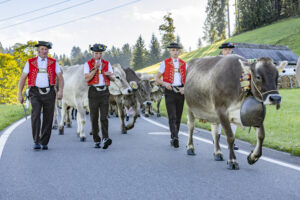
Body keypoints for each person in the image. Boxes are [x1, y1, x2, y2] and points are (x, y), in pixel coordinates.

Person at [18, 41, 64, 150]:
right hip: (35, 92)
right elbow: (23, 78)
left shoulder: (53, 62)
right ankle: (36, 141)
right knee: (36, 115)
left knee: (48, 117)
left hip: (49, 92)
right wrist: (20, 94)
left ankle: (44, 142)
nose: (44, 51)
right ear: (38, 50)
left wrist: (60, 91)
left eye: (46, 49)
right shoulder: (30, 62)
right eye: (42, 49)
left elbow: (60, 78)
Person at [155, 42, 187, 148]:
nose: (175, 52)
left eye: (177, 50)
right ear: (170, 51)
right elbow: (157, 78)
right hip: (169, 92)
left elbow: (188, 80)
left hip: (180, 92)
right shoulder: (164, 63)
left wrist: (184, 88)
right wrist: (164, 83)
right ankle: (175, 137)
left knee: (178, 117)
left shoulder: (184, 63)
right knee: (172, 116)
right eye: (173, 50)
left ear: (179, 51)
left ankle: (174, 136)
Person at [84, 43, 114, 149]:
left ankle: (105, 138)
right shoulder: (88, 64)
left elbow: (113, 78)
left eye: (100, 53)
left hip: (105, 91)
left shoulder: (107, 63)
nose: (98, 55)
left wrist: (109, 75)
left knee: (104, 116)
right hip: (93, 91)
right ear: (93, 53)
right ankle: (96, 139)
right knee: (94, 117)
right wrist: (95, 69)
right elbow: (87, 78)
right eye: (96, 53)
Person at [218, 42, 239, 150]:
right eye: (226, 49)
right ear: (222, 50)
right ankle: (216, 138)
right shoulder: (216, 61)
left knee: (233, 118)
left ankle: (232, 141)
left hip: (232, 94)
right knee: (219, 117)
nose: (228, 51)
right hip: (219, 94)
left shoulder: (235, 62)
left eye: (230, 50)